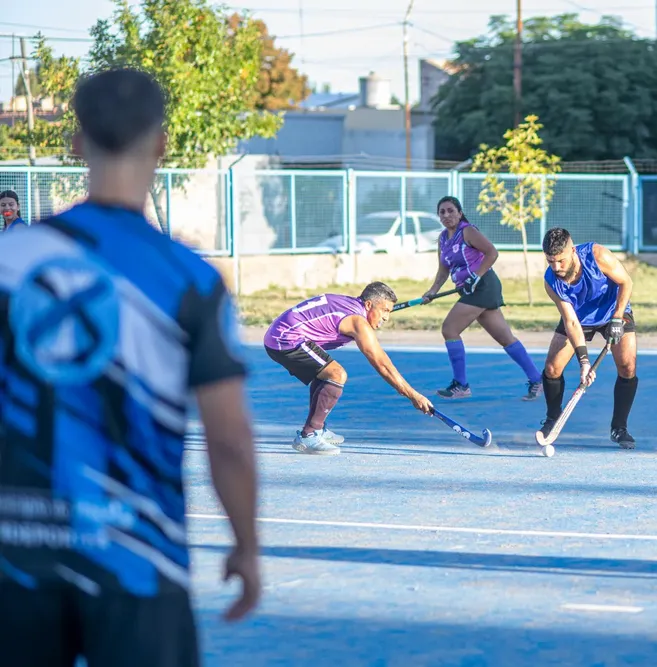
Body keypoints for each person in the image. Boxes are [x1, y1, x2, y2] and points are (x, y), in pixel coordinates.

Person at [0, 69, 260, 666]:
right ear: (162, 142)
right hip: (140, 562)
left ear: (75, 142)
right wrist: (246, 546)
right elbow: (230, 440)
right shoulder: (188, 279)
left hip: (17, 561)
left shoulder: (11, 261)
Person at [263, 282, 435, 454]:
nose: (386, 318)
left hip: (280, 334)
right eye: (385, 310)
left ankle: (318, 428)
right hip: (285, 339)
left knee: (326, 373)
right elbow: (382, 364)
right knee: (336, 374)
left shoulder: (350, 304)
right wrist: (413, 395)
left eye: (389, 311)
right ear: (368, 305)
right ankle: (309, 435)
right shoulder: (357, 322)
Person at [421, 196, 543, 400]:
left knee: (449, 329)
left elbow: (492, 253)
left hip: (483, 286)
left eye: (451, 210)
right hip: (469, 290)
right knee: (505, 338)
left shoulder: (467, 231)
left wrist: (475, 277)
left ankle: (461, 385)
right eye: (442, 212)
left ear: (459, 213)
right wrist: (432, 291)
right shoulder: (443, 239)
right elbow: (443, 270)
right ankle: (537, 380)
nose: (447, 215)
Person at [538, 228, 638, 449]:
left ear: (572, 251)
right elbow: (571, 322)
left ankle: (619, 428)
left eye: (560, 261)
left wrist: (617, 318)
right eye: (550, 261)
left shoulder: (598, 255)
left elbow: (626, 283)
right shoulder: (551, 280)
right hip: (579, 318)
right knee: (553, 368)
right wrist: (584, 362)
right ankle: (552, 419)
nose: (556, 267)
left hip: (613, 311)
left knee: (627, 367)